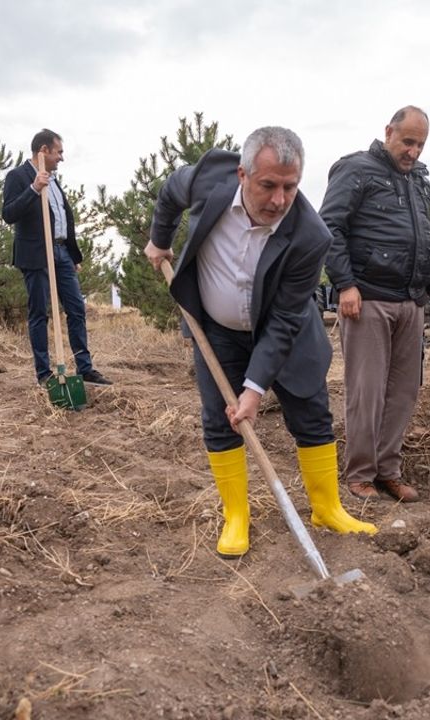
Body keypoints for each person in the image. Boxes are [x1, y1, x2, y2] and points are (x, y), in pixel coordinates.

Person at [145, 126, 376, 557]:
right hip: (217, 331)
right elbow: (171, 192)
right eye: (268, 185)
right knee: (219, 420)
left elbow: (285, 319)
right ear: (242, 174)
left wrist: (253, 391)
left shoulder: (311, 235)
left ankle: (327, 509)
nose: (279, 200)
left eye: (290, 186)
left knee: (311, 412)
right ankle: (236, 515)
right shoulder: (208, 177)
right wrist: (159, 240)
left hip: (285, 331)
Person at [321, 106, 430, 503]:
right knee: (366, 390)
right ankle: (360, 473)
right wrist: (345, 285)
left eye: (420, 145)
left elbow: (423, 241)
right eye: (407, 142)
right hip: (367, 299)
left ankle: (388, 471)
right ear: (389, 132)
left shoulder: (418, 180)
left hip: (410, 301)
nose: (413, 152)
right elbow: (329, 227)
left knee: (404, 391)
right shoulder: (356, 170)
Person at [2, 129, 112, 387]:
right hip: (36, 254)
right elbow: (9, 213)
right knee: (39, 313)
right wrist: (33, 189)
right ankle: (44, 374)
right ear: (44, 150)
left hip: (62, 253)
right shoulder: (18, 176)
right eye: (58, 152)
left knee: (76, 309)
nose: (61, 157)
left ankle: (85, 368)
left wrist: (71, 253)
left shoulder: (53, 179)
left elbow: (62, 216)